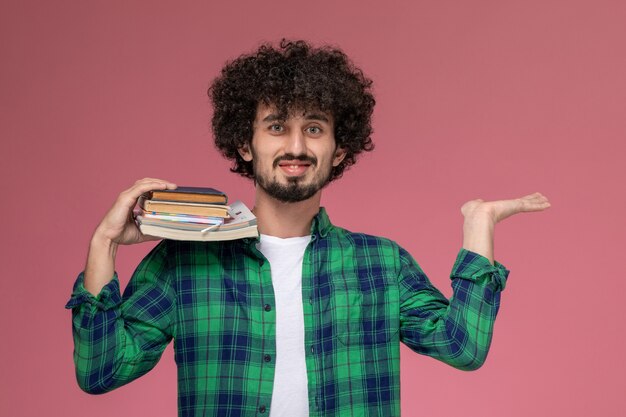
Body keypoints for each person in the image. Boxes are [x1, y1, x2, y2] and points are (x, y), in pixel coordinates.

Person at [66, 40, 550, 417]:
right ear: (245, 144)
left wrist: (478, 225)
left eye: (314, 128)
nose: (296, 145)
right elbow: (100, 370)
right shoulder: (185, 261)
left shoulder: (382, 264)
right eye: (276, 126)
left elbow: (462, 347)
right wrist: (104, 243)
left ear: (339, 150)